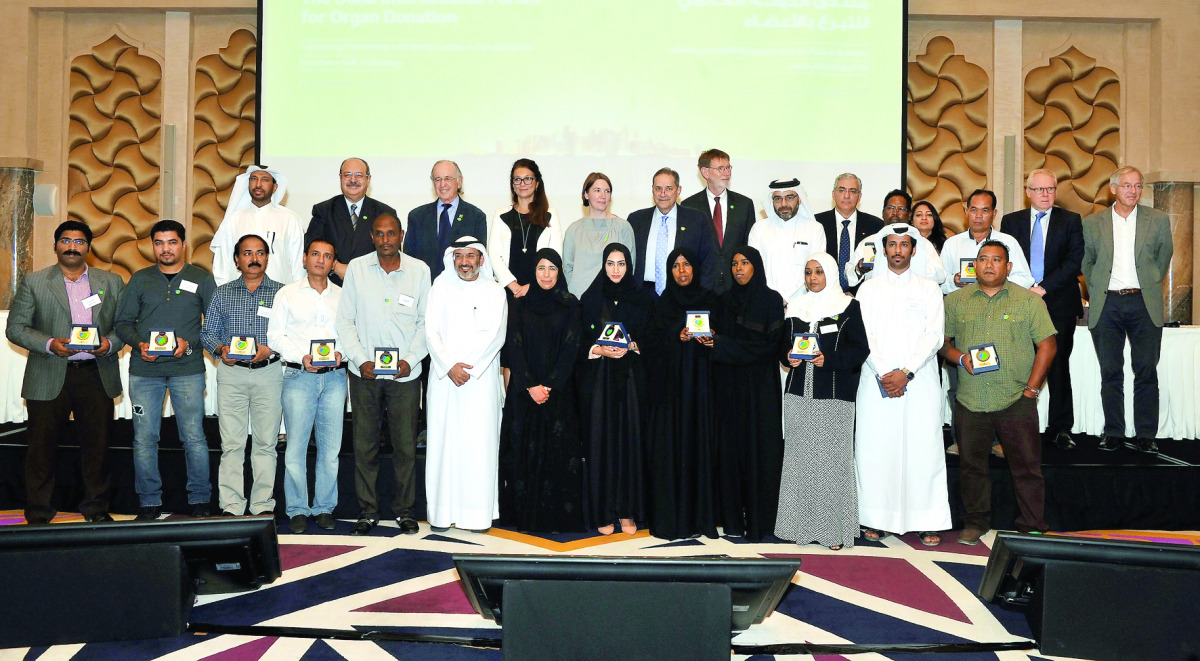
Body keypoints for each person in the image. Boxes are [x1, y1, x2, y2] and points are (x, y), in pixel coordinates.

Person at [7, 220, 125, 524]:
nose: (73, 246)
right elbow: (16, 327)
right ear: (56, 244)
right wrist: (48, 344)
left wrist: (109, 345)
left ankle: (97, 510)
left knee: (97, 449)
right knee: (40, 450)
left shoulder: (111, 282)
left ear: (88, 247)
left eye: (80, 241)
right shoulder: (34, 281)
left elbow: (125, 327)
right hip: (48, 371)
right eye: (66, 240)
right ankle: (38, 513)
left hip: (95, 373)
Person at [942, 240, 1057, 544]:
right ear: (974, 265)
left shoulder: (1028, 301)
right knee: (972, 467)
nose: (989, 265)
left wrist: (1032, 390)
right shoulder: (955, 301)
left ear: (1008, 267)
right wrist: (959, 358)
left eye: (996, 260)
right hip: (971, 398)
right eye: (983, 259)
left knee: (1027, 468)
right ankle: (975, 522)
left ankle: (1032, 523)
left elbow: (1048, 345)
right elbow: (942, 342)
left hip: (1016, 398)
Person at [853, 224, 950, 546]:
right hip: (876, 377)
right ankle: (876, 518)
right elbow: (864, 336)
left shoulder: (929, 288)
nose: (897, 250)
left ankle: (927, 519)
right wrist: (885, 372)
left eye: (904, 245)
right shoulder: (868, 289)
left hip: (919, 379)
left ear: (913, 250)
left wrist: (906, 372)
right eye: (892, 245)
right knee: (876, 448)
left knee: (924, 448)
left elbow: (934, 335)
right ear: (883, 250)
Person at [335, 213, 430, 536]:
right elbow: (345, 320)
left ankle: (405, 511)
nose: (386, 239)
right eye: (380, 234)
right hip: (365, 374)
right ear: (372, 237)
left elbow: (425, 323)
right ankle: (368, 511)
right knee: (365, 446)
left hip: (405, 374)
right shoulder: (358, 269)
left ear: (401, 235)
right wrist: (361, 359)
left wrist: (411, 358)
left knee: (405, 447)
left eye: (392, 233)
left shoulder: (419, 271)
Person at [114, 219, 215, 520]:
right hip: (145, 372)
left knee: (194, 437)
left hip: (188, 369)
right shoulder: (140, 279)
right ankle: (148, 503)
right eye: (159, 242)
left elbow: (213, 325)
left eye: (172, 242)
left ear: (183, 244)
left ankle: (200, 500)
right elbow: (122, 323)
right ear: (152, 245)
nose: (166, 248)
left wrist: (190, 344)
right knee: (144, 439)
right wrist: (139, 344)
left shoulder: (201, 277)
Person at [775, 252, 869, 550]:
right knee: (799, 460)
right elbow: (781, 346)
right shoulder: (794, 308)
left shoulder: (848, 307)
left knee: (831, 461)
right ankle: (798, 526)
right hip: (797, 396)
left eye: (818, 271)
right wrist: (786, 357)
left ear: (830, 273)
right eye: (808, 272)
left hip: (834, 395)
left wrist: (829, 360)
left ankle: (832, 532)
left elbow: (859, 349)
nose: (812, 277)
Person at [1081, 166, 1173, 453]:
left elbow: (1164, 256)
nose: (1132, 191)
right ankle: (1114, 433)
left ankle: (1146, 434)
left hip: (1143, 303)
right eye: (1126, 186)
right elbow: (1087, 262)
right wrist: (1098, 288)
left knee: (1146, 370)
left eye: (1137, 186)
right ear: (1113, 189)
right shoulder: (1093, 222)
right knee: (1111, 371)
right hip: (1106, 304)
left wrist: (1147, 281)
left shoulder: (1157, 220)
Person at [498, 248, 585, 533]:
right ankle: (524, 517)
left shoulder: (571, 304)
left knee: (558, 457)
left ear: (559, 273)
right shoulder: (520, 303)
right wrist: (531, 385)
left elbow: (572, 347)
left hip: (558, 394)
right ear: (533, 272)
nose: (546, 275)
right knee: (524, 456)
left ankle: (557, 519)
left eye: (552, 269)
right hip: (524, 394)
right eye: (541, 268)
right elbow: (514, 346)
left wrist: (549, 384)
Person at [425, 237, 508, 533]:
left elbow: (496, 336)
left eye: (470, 256)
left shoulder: (495, 291)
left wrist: (467, 368)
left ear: (481, 259)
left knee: (478, 447)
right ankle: (441, 513)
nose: (464, 262)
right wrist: (450, 366)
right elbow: (430, 330)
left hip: (480, 383)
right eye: (459, 256)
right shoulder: (440, 287)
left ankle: (476, 516)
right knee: (443, 446)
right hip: (446, 381)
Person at [705, 246, 786, 542]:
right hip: (729, 387)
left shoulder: (771, 300)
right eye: (735, 264)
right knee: (730, 450)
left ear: (757, 266)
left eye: (745, 263)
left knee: (759, 450)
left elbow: (769, 347)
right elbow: (713, 342)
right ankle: (732, 522)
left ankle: (760, 522)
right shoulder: (723, 301)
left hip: (760, 389)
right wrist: (717, 344)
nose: (739, 268)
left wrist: (724, 347)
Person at [200, 234, 284, 517]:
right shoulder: (222, 293)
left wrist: (270, 348)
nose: (254, 258)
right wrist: (221, 348)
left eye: (260, 252)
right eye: (247, 253)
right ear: (237, 259)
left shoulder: (282, 293)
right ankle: (232, 505)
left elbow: (289, 333)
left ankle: (262, 505)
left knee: (265, 443)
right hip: (232, 374)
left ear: (267, 258)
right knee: (232, 444)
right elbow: (207, 332)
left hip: (268, 373)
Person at [1000, 169, 1084, 450]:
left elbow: (1074, 262)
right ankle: (1016, 426)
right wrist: (1026, 290)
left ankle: (1060, 428)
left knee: (1058, 364)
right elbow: (1005, 260)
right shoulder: (1011, 222)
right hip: (1019, 302)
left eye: (1051, 189)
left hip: (1058, 301)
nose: (1046, 194)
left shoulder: (1070, 220)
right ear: (1028, 192)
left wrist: (1043, 287)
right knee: (1019, 363)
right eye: (1040, 190)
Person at [267, 237, 346, 534]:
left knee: (330, 449)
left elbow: (351, 335)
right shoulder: (287, 294)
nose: (320, 260)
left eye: (327, 256)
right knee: (296, 448)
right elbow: (275, 337)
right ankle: (298, 509)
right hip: (298, 376)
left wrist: (343, 354)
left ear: (332, 262)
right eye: (315, 254)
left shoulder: (342, 295)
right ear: (304, 259)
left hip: (335, 378)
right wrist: (300, 356)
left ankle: (324, 506)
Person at [577, 243, 656, 534]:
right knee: (601, 443)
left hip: (632, 381)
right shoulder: (590, 298)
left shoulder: (643, 299)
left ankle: (627, 512)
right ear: (603, 265)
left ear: (629, 266)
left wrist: (634, 345)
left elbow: (655, 337)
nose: (615, 270)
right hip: (599, 380)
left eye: (621, 264)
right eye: (610, 263)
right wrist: (598, 348)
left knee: (630, 443)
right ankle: (603, 512)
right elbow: (578, 340)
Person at [643, 247, 720, 540]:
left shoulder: (711, 300)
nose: (682, 270)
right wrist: (677, 333)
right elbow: (651, 342)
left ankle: (701, 519)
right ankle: (671, 520)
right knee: (671, 452)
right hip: (671, 396)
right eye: (675, 266)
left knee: (700, 449)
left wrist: (712, 339)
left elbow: (724, 339)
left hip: (702, 393)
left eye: (687, 264)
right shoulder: (664, 303)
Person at [306, 157, 398, 286]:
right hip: (332, 287)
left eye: (359, 175)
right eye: (347, 175)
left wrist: (359, 272)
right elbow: (311, 250)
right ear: (340, 178)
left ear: (368, 179)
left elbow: (392, 254)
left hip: (374, 285)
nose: (353, 180)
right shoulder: (323, 211)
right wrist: (335, 266)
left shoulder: (384, 213)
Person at [210, 166, 305, 286]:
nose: (258, 184)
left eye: (265, 180)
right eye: (254, 179)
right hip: (239, 295)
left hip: (280, 294)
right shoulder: (234, 219)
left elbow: (298, 265)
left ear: (275, 187)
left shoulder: (290, 219)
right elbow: (222, 262)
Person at [629, 168, 719, 294]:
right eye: (658, 188)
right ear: (652, 190)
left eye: (669, 188)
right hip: (643, 296)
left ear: (678, 191)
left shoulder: (697, 220)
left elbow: (709, 261)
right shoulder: (636, 220)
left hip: (685, 294)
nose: (663, 193)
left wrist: (701, 294)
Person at [680, 149, 757, 294]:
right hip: (701, 286)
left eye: (728, 168)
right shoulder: (689, 206)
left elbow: (748, 248)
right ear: (705, 172)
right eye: (720, 169)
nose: (726, 173)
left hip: (736, 286)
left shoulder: (744, 204)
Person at [488, 159, 563, 298]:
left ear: (537, 183)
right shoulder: (501, 215)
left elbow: (555, 256)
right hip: (508, 292)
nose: (522, 184)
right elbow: (493, 255)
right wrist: (513, 285)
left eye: (528, 179)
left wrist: (533, 286)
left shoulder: (550, 215)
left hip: (540, 290)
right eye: (517, 179)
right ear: (513, 184)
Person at [403, 160, 488, 280]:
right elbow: (408, 259)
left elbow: (478, 261)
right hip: (424, 287)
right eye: (438, 179)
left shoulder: (476, 217)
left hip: (461, 289)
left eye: (448, 178)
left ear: (459, 182)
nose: (442, 184)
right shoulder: (417, 217)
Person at [940, 189, 1033, 294]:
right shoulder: (951, 244)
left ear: (994, 214)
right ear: (967, 212)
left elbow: (1025, 279)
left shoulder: (1008, 242)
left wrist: (996, 283)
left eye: (985, 210)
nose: (978, 215)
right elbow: (940, 283)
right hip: (963, 306)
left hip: (1000, 305)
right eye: (974, 210)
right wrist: (954, 281)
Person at [748, 177, 827, 301]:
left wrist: (789, 297)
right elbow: (753, 269)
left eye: (789, 197)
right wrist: (774, 298)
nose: (784, 204)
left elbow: (816, 268)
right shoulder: (759, 229)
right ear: (772, 201)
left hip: (803, 301)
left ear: (799, 199)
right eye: (778, 199)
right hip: (766, 301)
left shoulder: (815, 229)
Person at [562, 172, 636, 296]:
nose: (603, 196)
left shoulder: (622, 227)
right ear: (586, 194)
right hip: (579, 300)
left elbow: (630, 267)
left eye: (607, 191)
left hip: (611, 301)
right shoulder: (573, 229)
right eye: (597, 190)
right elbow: (567, 268)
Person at [815, 173, 884, 292]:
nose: (847, 195)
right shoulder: (817, 223)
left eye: (852, 191)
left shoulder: (875, 225)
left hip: (862, 296)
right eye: (842, 190)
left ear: (860, 196)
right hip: (824, 295)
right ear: (833, 194)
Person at [846, 221, 947, 288]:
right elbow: (850, 279)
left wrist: (905, 265)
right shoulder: (869, 241)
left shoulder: (922, 244)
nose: (895, 212)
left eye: (901, 208)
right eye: (891, 208)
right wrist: (859, 270)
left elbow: (940, 276)